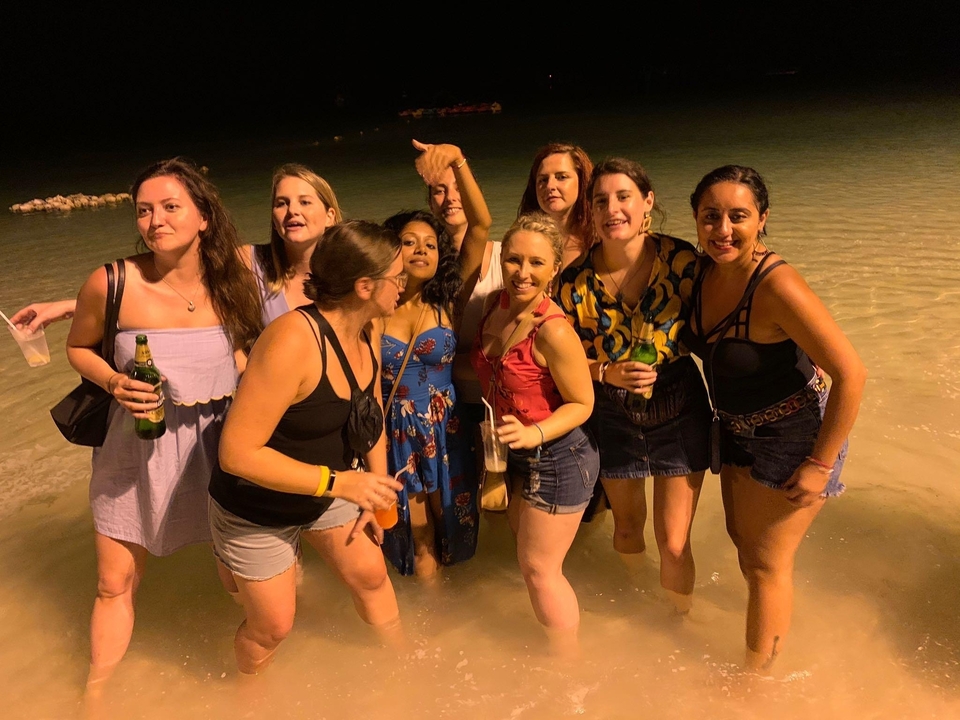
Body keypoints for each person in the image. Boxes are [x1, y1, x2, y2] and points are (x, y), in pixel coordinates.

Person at [65, 158, 264, 695]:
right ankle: (96, 695)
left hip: (218, 451)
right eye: (144, 211)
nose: (156, 221)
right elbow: (79, 347)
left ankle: (257, 680)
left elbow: (267, 339)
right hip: (135, 450)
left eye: (171, 207)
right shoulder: (111, 281)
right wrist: (112, 382)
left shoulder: (236, 282)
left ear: (204, 216)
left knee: (239, 576)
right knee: (114, 581)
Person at [682, 165, 866, 673]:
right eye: (710, 216)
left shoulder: (776, 286)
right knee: (746, 548)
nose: (723, 230)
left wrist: (820, 464)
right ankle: (772, 634)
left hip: (795, 435)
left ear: (762, 219)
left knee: (766, 566)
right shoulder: (701, 272)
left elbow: (851, 374)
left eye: (738, 216)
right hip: (736, 429)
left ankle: (755, 686)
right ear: (695, 221)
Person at [209, 220, 406, 675]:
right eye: (396, 277)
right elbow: (236, 454)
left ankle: (404, 670)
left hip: (331, 489)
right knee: (273, 625)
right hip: (256, 504)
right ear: (363, 286)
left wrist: (372, 493)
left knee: (372, 576)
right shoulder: (291, 341)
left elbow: (369, 406)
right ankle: (246, 700)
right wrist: (342, 483)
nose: (404, 285)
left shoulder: (369, 328)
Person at [556, 157, 711, 615]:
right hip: (614, 410)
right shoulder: (574, 283)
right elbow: (557, 361)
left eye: (624, 197)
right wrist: (604, 372)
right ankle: (637, 596)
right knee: (627, 528)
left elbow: (732, 312)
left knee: (675, 542)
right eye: (601, 200)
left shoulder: (683, 262)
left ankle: (678, 620)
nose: (612, 208)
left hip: (679, 403)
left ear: (647, 202)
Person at [472, 213, 598, 654]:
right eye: (513, 260)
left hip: (559, 455)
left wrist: (535, 434)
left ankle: (567, 668)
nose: (522, 273)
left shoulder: (555, 331)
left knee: (540, 569)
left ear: (554, 268)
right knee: (531, 563)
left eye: (536, 263)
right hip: (513, 453)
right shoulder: (494, 307)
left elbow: (583, 404)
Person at [518, 143, 595, 270]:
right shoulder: (524, 240)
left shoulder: (598, 239)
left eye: (561, 177)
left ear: (582, 181)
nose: (550, 186)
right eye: (543, 180)